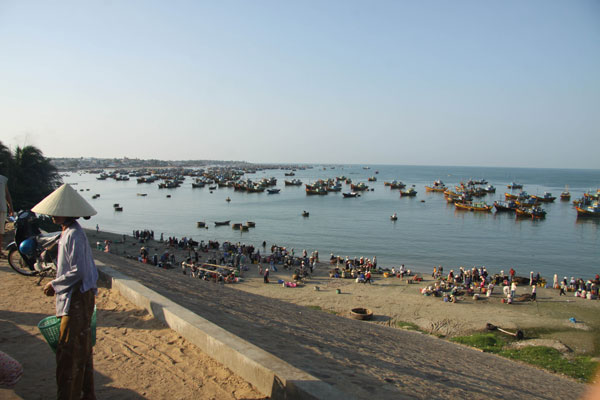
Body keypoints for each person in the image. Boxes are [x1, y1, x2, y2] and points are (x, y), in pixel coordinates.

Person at [32, 183, 98, 400]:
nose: (52, 215)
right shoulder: (68, 233)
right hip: (78, 295)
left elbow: (78, 271)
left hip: (77, 297)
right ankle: (86, 393)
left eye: (56, 212)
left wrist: (54, 284)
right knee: (80, 348)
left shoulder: (74, 235)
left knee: (69, 352)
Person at [0, 174, 14, 258]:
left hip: (1, 208)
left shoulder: (2, 179)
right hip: (2, 208)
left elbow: (7, 194)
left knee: (1, 231)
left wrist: (10, 207)